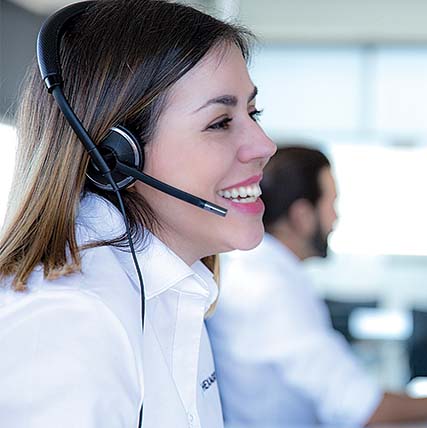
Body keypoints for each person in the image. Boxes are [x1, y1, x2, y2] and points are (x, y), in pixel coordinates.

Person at [0, 1, 275, 426]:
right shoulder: (69, 324)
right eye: (221, 122)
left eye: (253, 113)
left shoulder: (171, 293)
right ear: (115, 155)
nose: (264, 145)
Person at [207, 146, 427, 427]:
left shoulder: (262, 272)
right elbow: (359, 407)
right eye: (332, 205)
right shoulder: (268, 290)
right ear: (302, 215)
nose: (336, 219)